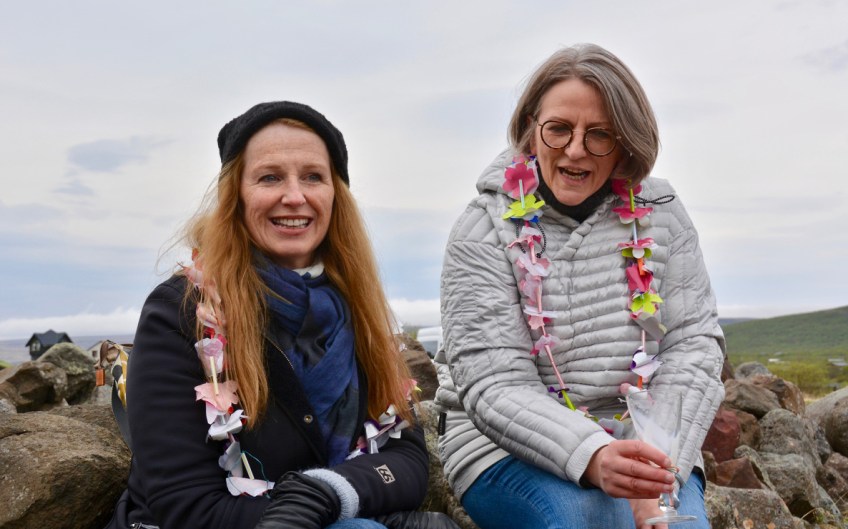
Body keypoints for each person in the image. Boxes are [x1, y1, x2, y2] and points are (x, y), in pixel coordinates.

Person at [106, 101, 459, 529]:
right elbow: (186, 506)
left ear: (335, 196)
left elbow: (407, 461)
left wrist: (328, 493)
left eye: (313, 177)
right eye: (270, 177)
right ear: (235, 196)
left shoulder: (360, 309)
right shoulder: (181, 313)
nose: (294, 196)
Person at [433, 44, 725, 529]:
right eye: (559, 128)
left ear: (626, 141)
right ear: (531, 128)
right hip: (504, 447)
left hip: (650, 440)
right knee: (587, 522)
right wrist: (594, 455)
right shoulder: (482, 227)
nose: (575, 150)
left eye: (599, 134)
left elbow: (693, 345)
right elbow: (494, 382)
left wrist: (652, 464)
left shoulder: (664, 215)